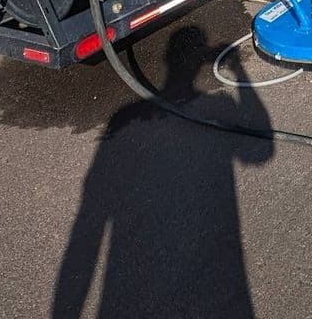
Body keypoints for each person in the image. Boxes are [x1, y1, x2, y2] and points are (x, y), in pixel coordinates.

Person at [52, 26, 273, 318]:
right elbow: (260, 153)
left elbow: (88, 223)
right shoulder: (218, 104)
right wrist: (238, 69)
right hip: (217, 286)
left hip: (127, 290)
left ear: (167, 59)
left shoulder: (123, 119)